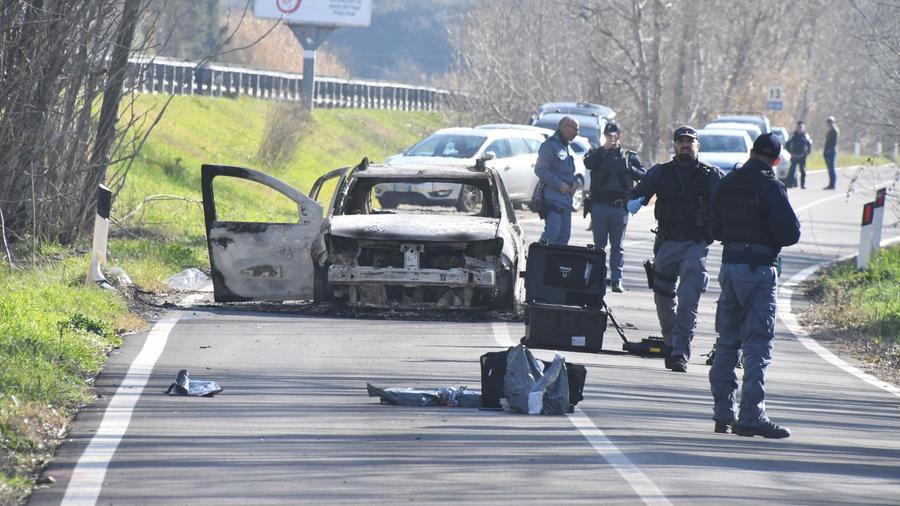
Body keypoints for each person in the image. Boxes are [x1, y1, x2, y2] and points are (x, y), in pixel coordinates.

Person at [708, 133, 801, 438]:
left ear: (750, 152)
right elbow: (790, 234)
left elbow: (712, 225)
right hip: (759, 269)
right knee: (757, 343)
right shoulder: (771, 186)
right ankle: (750, 415)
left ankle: (723, 413)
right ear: (776, 160)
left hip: (729, 264)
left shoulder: (727, 182)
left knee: (727, 340)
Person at [626, 126, 723, 372]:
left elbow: (728, 202)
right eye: (681, 141)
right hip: (666, 244)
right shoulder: (661, 172)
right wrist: (630, 200)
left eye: (690, 142)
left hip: (695, 245)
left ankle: (680, 352)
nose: (685, 145)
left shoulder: (711, 175)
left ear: (697, 146)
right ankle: (671, 344)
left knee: (688, 301)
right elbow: (638, 193)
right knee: (663, 301)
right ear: (675, 145)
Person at [584, 122, 645, 292]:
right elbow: (588, 163)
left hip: (619, 208)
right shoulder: (598, 154)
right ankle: (598, 278)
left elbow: (644, 176)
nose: (611, 138)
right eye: (607, 135)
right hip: (599, 207)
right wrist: (604, 149)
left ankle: (617, 280)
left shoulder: (629, 156)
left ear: (620, 136)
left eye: (613, 135)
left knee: (618, 246)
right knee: (599, 245)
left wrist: (629, 168)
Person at [535, 116, 580, 245]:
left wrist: (575, 182)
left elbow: (568, 172)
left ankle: (555, 264)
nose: (577, 133)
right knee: (552, 233)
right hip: (552, 198)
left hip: (566, 200)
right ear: (564, 127)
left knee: (564, 236)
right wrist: (559, 184)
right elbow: (540, 170)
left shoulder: (566, 146)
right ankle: (539, 259)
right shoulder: (550, 145)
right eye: (574, 129)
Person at [785, 121, 813, 189]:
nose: (799, 128)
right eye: (798, 127)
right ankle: (789, 184)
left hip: (802, 156)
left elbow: (809, 144)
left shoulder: (805, 135)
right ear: (796, 127)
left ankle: (803, 185)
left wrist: (808, 152)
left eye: (801, 127)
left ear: (803, 128)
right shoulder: (793, 135)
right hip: (794, 155)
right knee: (792, 170)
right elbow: (787, 144)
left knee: (803, 171)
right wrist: (790, 152)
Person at [823, 116, 839, 189]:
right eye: (828, 121)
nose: (828, 123)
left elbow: (833, 142)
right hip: (828, 150)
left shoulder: (834, 130)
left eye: (830, 121)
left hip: (831, 151)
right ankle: (831, 184)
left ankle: (832, 184)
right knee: (829, 168)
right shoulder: (831, 130)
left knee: (831, 168)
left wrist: (828, 150)